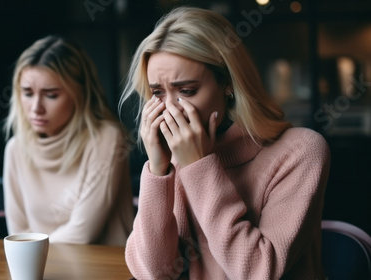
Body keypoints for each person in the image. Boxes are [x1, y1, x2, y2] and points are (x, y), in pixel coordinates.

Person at [119, 7, 330, 279]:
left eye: (186, 91)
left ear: (228, 83)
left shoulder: (301, 151)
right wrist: (158, 170)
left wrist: (199, 165)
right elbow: (154, 273)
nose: (170, 110)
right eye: (158, 93)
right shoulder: (175, 157)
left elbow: (257, 271)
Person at [3, 35, 134, 246]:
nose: (36, 107)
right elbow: (18, 234)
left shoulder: (107, 138)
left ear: (79, 94)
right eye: (27, 93)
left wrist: (33, 250)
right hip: (42, 270)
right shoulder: (16, 149)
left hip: (106, 271)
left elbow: (82, 233)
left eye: (51, 95)